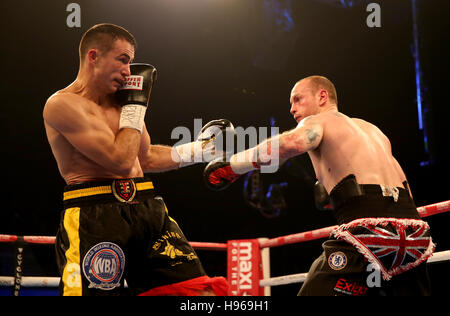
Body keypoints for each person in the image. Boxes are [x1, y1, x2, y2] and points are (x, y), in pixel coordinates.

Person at [43, 23, 230, 296]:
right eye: (122, 60)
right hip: (95, 213)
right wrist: (135, 107)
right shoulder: (62, 105)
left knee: (200, 294)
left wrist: (201, 150)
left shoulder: (123, 104)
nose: (128, 72)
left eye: (130, 62)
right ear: (93, 56)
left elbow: (145, 157)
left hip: (146, 207)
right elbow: (119, 160)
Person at [204, 75, 435, 296]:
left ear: (322, 96)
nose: (292, 109)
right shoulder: (373, 130)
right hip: (414, 234)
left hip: (370, 232)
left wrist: (234, 166)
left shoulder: (317, 121)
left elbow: (290, 144)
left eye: (297, 99)